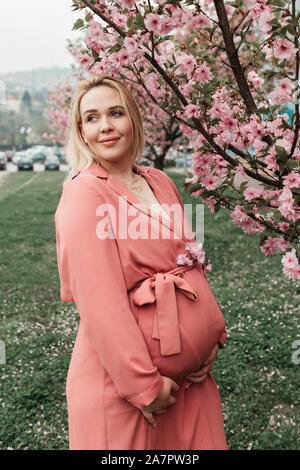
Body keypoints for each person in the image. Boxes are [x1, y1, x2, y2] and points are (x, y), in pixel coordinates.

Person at [55, 74, 228, 450]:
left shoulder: (160, 181)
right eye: (92, 118)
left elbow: (189, 264)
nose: (105, 127)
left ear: (133, 118)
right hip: (130, 394)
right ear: (82, 132)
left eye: (115, 113)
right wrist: (144, 388)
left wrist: (212, 335)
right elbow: (101, 307)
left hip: (193, 386)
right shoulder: (84, 195)